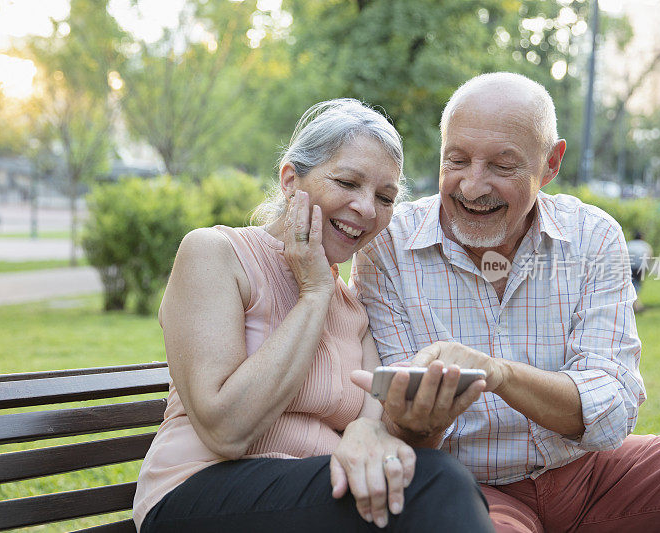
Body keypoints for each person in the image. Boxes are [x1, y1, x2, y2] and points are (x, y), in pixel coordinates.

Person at [351, 73, 660, 532]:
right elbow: (405, 432)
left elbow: (613, 408)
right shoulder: (387, 248)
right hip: (471, 485)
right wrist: (417, 420)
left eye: (502, 166)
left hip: (593, 474)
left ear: (550, 163)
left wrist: (497, 374)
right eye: (456, 160)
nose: (473, 187)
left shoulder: (593, 237)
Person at [132, 98, 494, 532]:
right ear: (290, 179)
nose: (365, 208)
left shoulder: (355, 310)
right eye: (347, 182)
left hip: (313, 500)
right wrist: (315, 291)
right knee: (439, 482)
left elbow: (374, 432)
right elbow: (225, 431)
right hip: (196, 494)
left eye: (384, 197)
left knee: (430, 477)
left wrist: (385, 430)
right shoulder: (215, 254)